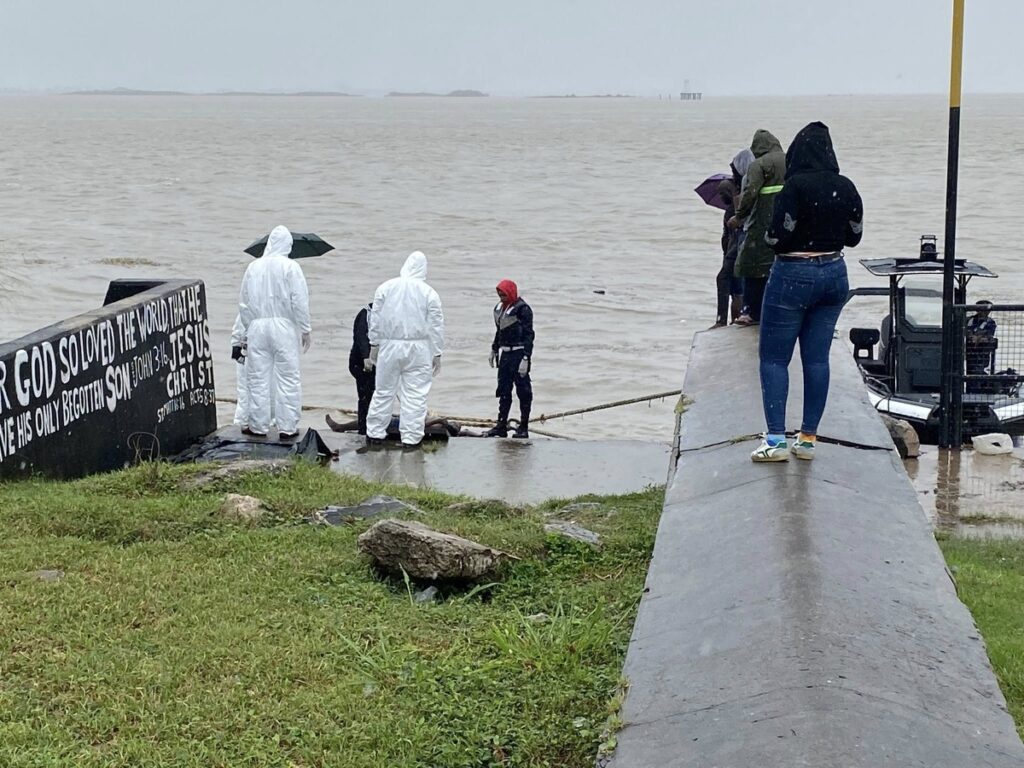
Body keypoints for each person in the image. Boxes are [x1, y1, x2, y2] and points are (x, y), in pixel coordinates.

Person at [751, 121, 863, 462]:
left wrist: (774, 238)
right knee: (816, 359)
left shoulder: (795, 186)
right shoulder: (846, 186)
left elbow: (777, 236)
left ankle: (774, 441)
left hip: (792, 275)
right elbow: (854, 235)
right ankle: (808, 439)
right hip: (834, 274)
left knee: (774, 358)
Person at [364, 251, 444, 450]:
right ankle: (411, 438)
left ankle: (374, 433)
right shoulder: (429, 292)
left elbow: (375, 318)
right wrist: (437, 352)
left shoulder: (385, 287)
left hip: (389, 346)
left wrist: (374, 344)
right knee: (415, 395)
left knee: (383, 391)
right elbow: (436, 325)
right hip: (419, 348)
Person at [237, 225, 312, 439]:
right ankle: (287, 427)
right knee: (288, 377)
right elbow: (299, 300)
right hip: (284, 327)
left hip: (257, 327)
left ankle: (258, 426)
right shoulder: (291, 267)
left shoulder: (253, 267)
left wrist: (246, 331)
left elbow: (244, 303)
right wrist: (305, 328)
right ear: (288, 245)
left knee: (257, 378)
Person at [729, 130, 786, 325]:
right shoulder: (791, 161)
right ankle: (778, 309)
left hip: (761, 224)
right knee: (779, 266)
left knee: (750, 265)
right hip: (787, 225)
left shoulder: (759, 165)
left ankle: (751, 312)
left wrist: (738, 217)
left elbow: (751, 193)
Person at [485, 280, 535, 438]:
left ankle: (524, 426)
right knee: (504, 390)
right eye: (499, 294)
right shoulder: (499, 309)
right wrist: (494, 349)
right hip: (505, 355)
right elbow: (499, 331)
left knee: (523, 391)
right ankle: (501, 425)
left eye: (504, 294)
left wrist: (526, 357)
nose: (501, 297)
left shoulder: (523, 309)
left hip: (519, 354)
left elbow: (529, 335)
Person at [712, 177, 743, 328]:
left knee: (726, 281)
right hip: (732, 252)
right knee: (736, 289)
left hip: (734, 252)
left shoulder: (733, 210)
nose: (721, 197)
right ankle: (734, 320)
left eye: (723, 193)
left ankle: (722, 320)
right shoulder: (734, 208)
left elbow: (731, 235)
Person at [347, 301, 375, 435]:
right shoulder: (366, 314)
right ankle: (364, 430)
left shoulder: (380, 314)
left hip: (370, 361)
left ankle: (368, 427)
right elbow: (361, 337)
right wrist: (366, 357)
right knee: (366, 396)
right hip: (361, 363)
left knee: (373, 395)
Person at [966, 300, 997, 389]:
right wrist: (972, 336)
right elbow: (965, 331)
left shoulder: (990, 322)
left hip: (981, 352)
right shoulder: (970, 320)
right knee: (970, 372)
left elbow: (989, 337)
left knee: (977, 372)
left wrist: (979, 338)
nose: (985, 313)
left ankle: (978, 390)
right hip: (968, 351)